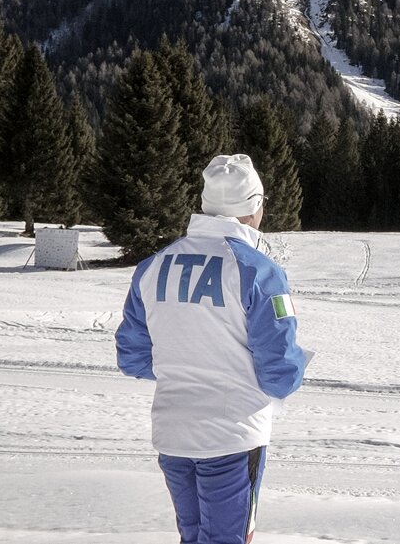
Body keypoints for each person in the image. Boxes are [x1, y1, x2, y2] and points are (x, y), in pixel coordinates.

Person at [116, 154, 312, 544]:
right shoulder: (257, 270)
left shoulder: (153, 266)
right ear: (256, 208)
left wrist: (185, 363)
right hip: (232, 436)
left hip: (172, 431)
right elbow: (280, 371)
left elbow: (132, 357)